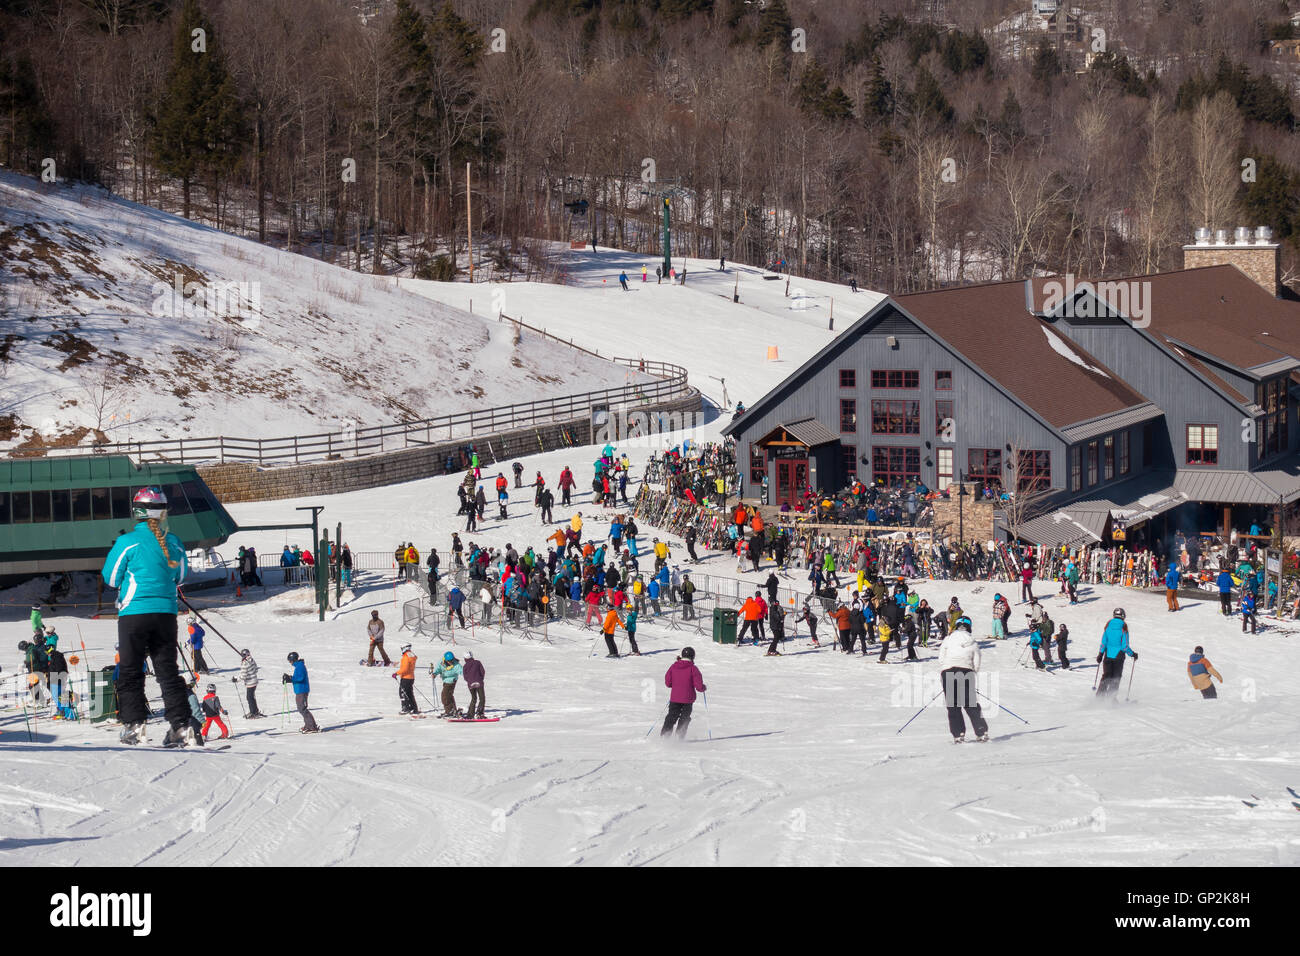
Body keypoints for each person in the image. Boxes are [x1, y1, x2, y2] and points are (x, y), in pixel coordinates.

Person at [102, 487, 193, 747]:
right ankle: (180, 727)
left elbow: (110, 578)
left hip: (134, 612)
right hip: (165, 612)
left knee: (130, 671)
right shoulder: (173, 541)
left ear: (137, 511)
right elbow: (182, 576)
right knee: (167, 671)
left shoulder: (127, 542)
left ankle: (134, 728)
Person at [937, 616, 988, 742]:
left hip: (948, 670)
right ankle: (981, 731)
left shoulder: (948, 639)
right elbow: (977, 661)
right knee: (970, 703)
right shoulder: (973, 642)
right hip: (966, 671)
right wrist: (972, 671)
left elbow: (941, 658)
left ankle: (958, 734)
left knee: (953, 705)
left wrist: (947, 667)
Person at [661, 647, 706, 738]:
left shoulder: (674, 666)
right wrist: (703, 688)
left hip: (675, 698)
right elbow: (699, 686)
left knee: (671, 716)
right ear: (692, 657)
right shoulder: (693, 668)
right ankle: (680, 735)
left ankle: (665, 735)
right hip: (688, 699)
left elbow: (668, 682)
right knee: (684, 718)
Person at [1096, 608, 1137, 698]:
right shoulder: (1123, 627)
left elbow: (1104, 642)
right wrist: (1132, 654)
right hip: (1118, 656)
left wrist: (1100, 654)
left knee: (1106, 676)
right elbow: (1124, 646)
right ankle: (1111, 699)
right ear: (1123, 616)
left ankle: (1099, 698)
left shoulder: (1108, 626)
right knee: (1116, 678)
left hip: (1108, 655)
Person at [433, 651, 463, 716]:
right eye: (449, 660)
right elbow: (438, 669)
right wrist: (435, 674)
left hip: (452, 681)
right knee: (449, 695)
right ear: (445, 660)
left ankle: (449, 711)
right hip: (445, 680)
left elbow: (462, 672)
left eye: (452, 660)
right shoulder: (441, 662)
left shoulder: (456, 665)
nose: (450, 662)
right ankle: (453, 710)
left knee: (444, 696)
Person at [240, 649, 265, 717]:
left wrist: (236, 679)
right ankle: (255, 711)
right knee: (251, 697)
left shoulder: (245, 663)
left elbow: (243, 676)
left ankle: (253, 712)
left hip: (250, 682)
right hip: (254, 681)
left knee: (249, 697)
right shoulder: (251, 660)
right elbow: (256, 669)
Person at [395, 644, 419, 714]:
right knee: (409, 693)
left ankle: (406, 708)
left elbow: (404, 669)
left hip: (405, 678)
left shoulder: (406, 657)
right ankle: (413, 708)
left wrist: (396, 673)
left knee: (403, 693)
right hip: (411, 677)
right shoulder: (412, 655)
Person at [463, 652, 486, 718]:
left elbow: (465, 676)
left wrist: (469, 681)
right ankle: (480, 713)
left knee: (474, 698)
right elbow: (482, 672)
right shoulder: (478, 662)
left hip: (471, 684)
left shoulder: (465, 666)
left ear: (465, 658)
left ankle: (470, 714)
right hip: (479, 683)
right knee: (482, 698)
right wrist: (480, 679)